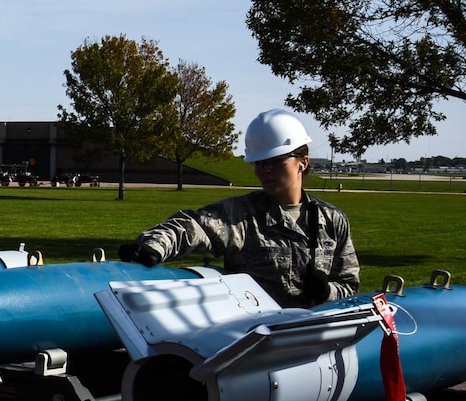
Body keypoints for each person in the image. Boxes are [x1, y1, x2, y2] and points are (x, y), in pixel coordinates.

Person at [120, 108, 359, 308]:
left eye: (276, 161)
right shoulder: (242, 215)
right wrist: (154, 245)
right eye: (258, 163)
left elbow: (349, 286)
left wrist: (327, 292)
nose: (265, 170)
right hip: (257, 342)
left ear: (302, 163)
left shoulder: (331, 220)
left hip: (315, 342)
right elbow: (194, 225)